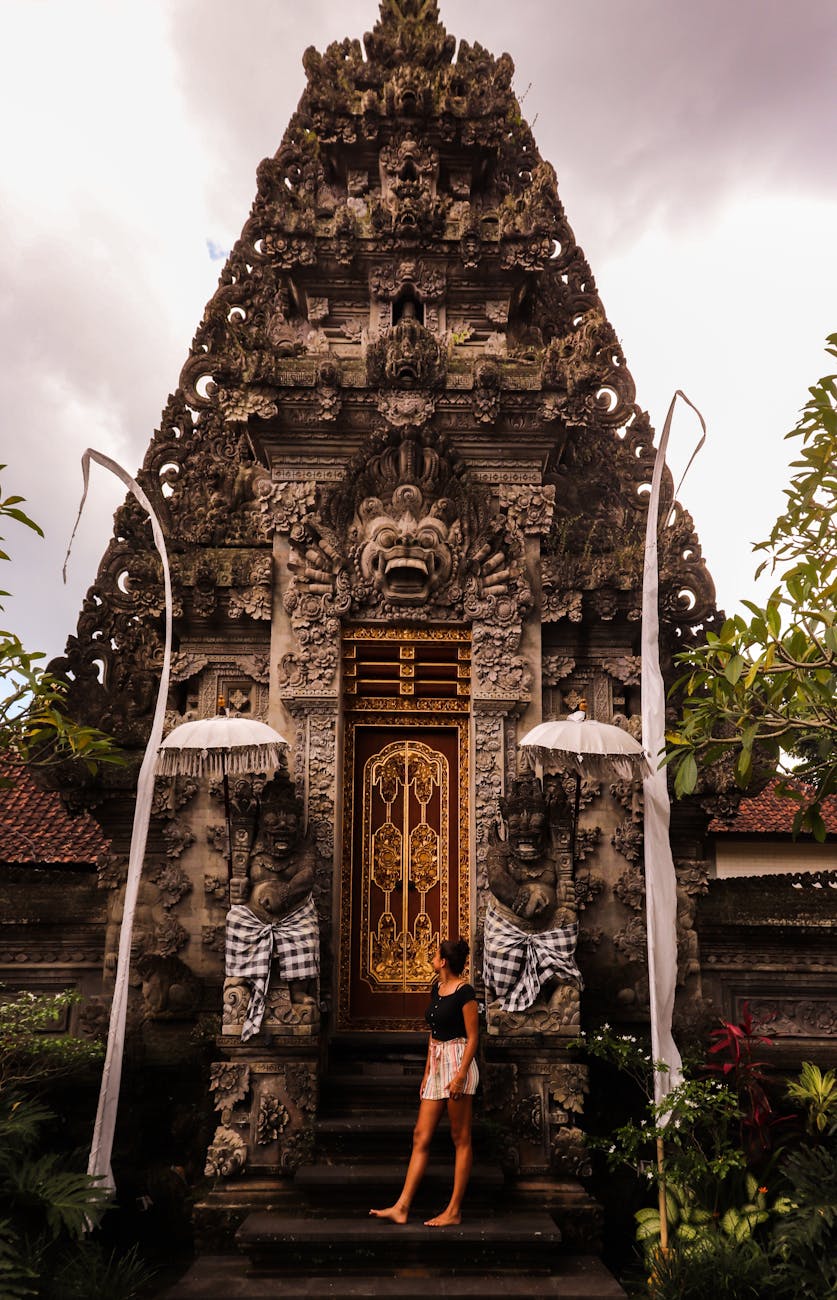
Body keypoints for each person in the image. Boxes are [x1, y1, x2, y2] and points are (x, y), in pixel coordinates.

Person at [370, 937, 479, 1227]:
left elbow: (473, 1038)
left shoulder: (465, 992)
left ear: (444, 961)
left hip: (457, 1063)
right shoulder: (437, 988)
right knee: (421, 1135)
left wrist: (460, 1075)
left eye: (435, 954)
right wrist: (427, 1073)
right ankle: (402, 1206)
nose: (431, 957)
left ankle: (454, 1210)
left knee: (460, 1138)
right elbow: (433, 1033)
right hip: (437, 1064)